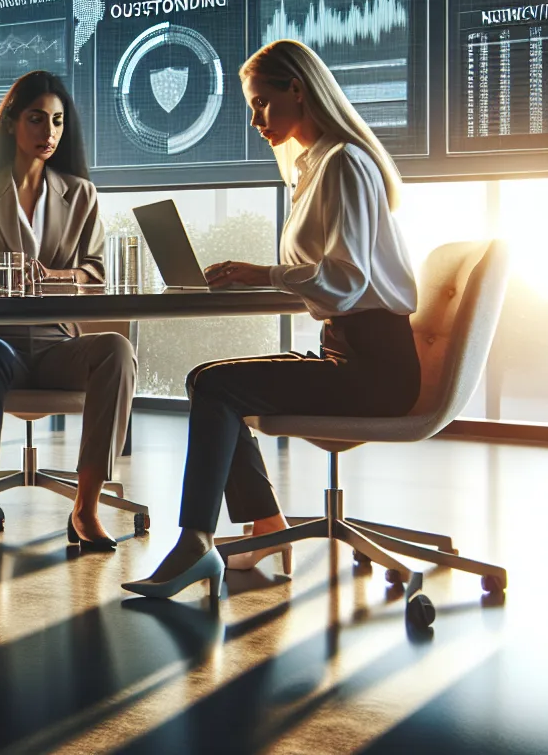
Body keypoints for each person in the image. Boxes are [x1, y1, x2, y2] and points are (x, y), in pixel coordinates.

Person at [124, 39, 421, 600]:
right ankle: (266, 528)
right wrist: (251, 277)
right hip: (347, 352)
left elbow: (347, 279)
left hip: (377, 371)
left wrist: (258, 273)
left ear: (298, 90)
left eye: (263, 102)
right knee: (204, 380)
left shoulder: (344, 164)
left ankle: (196, 543)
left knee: (214, 384)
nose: (257, 118)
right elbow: (328, 280)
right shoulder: (312, 169)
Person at [0, 71, 137, 557]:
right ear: (10, 122)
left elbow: (94, 272)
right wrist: (2, 274)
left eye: (56, 122)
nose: (48, 133)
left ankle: (86, 507)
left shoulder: (81, 194)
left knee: (116, 349)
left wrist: (50, 275)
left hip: (57, 342)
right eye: (36, 119)